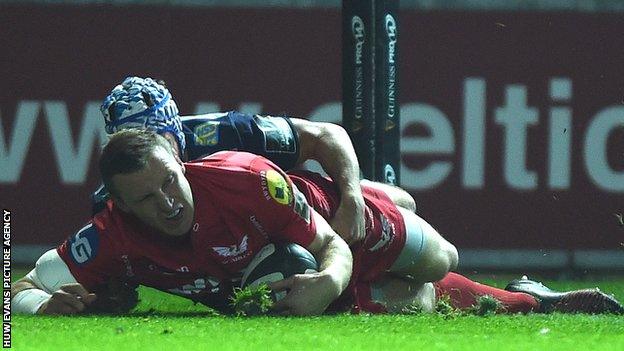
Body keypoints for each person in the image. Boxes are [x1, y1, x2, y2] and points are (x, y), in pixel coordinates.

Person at [12, 130, 623, 316]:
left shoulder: (246, 173)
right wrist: (50, 307)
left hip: (325, 219)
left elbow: (330, 242)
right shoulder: (108, 232)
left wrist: (330, 279)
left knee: (442, 259)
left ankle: (386, 199)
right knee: (412, 305)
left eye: (170, 182)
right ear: (117, 204)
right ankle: (531, 302)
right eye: (145, 199)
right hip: (279, 265)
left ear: (181, 161)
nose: (167, 202)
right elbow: (21, 292)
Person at [94, 76, 416, 245]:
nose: (144, 154)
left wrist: (352, 200)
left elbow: (325, 136)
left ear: (175, 130)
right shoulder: (114, 195)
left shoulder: (225, 133)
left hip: (296, 222)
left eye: (156, 140)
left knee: (404, 206)